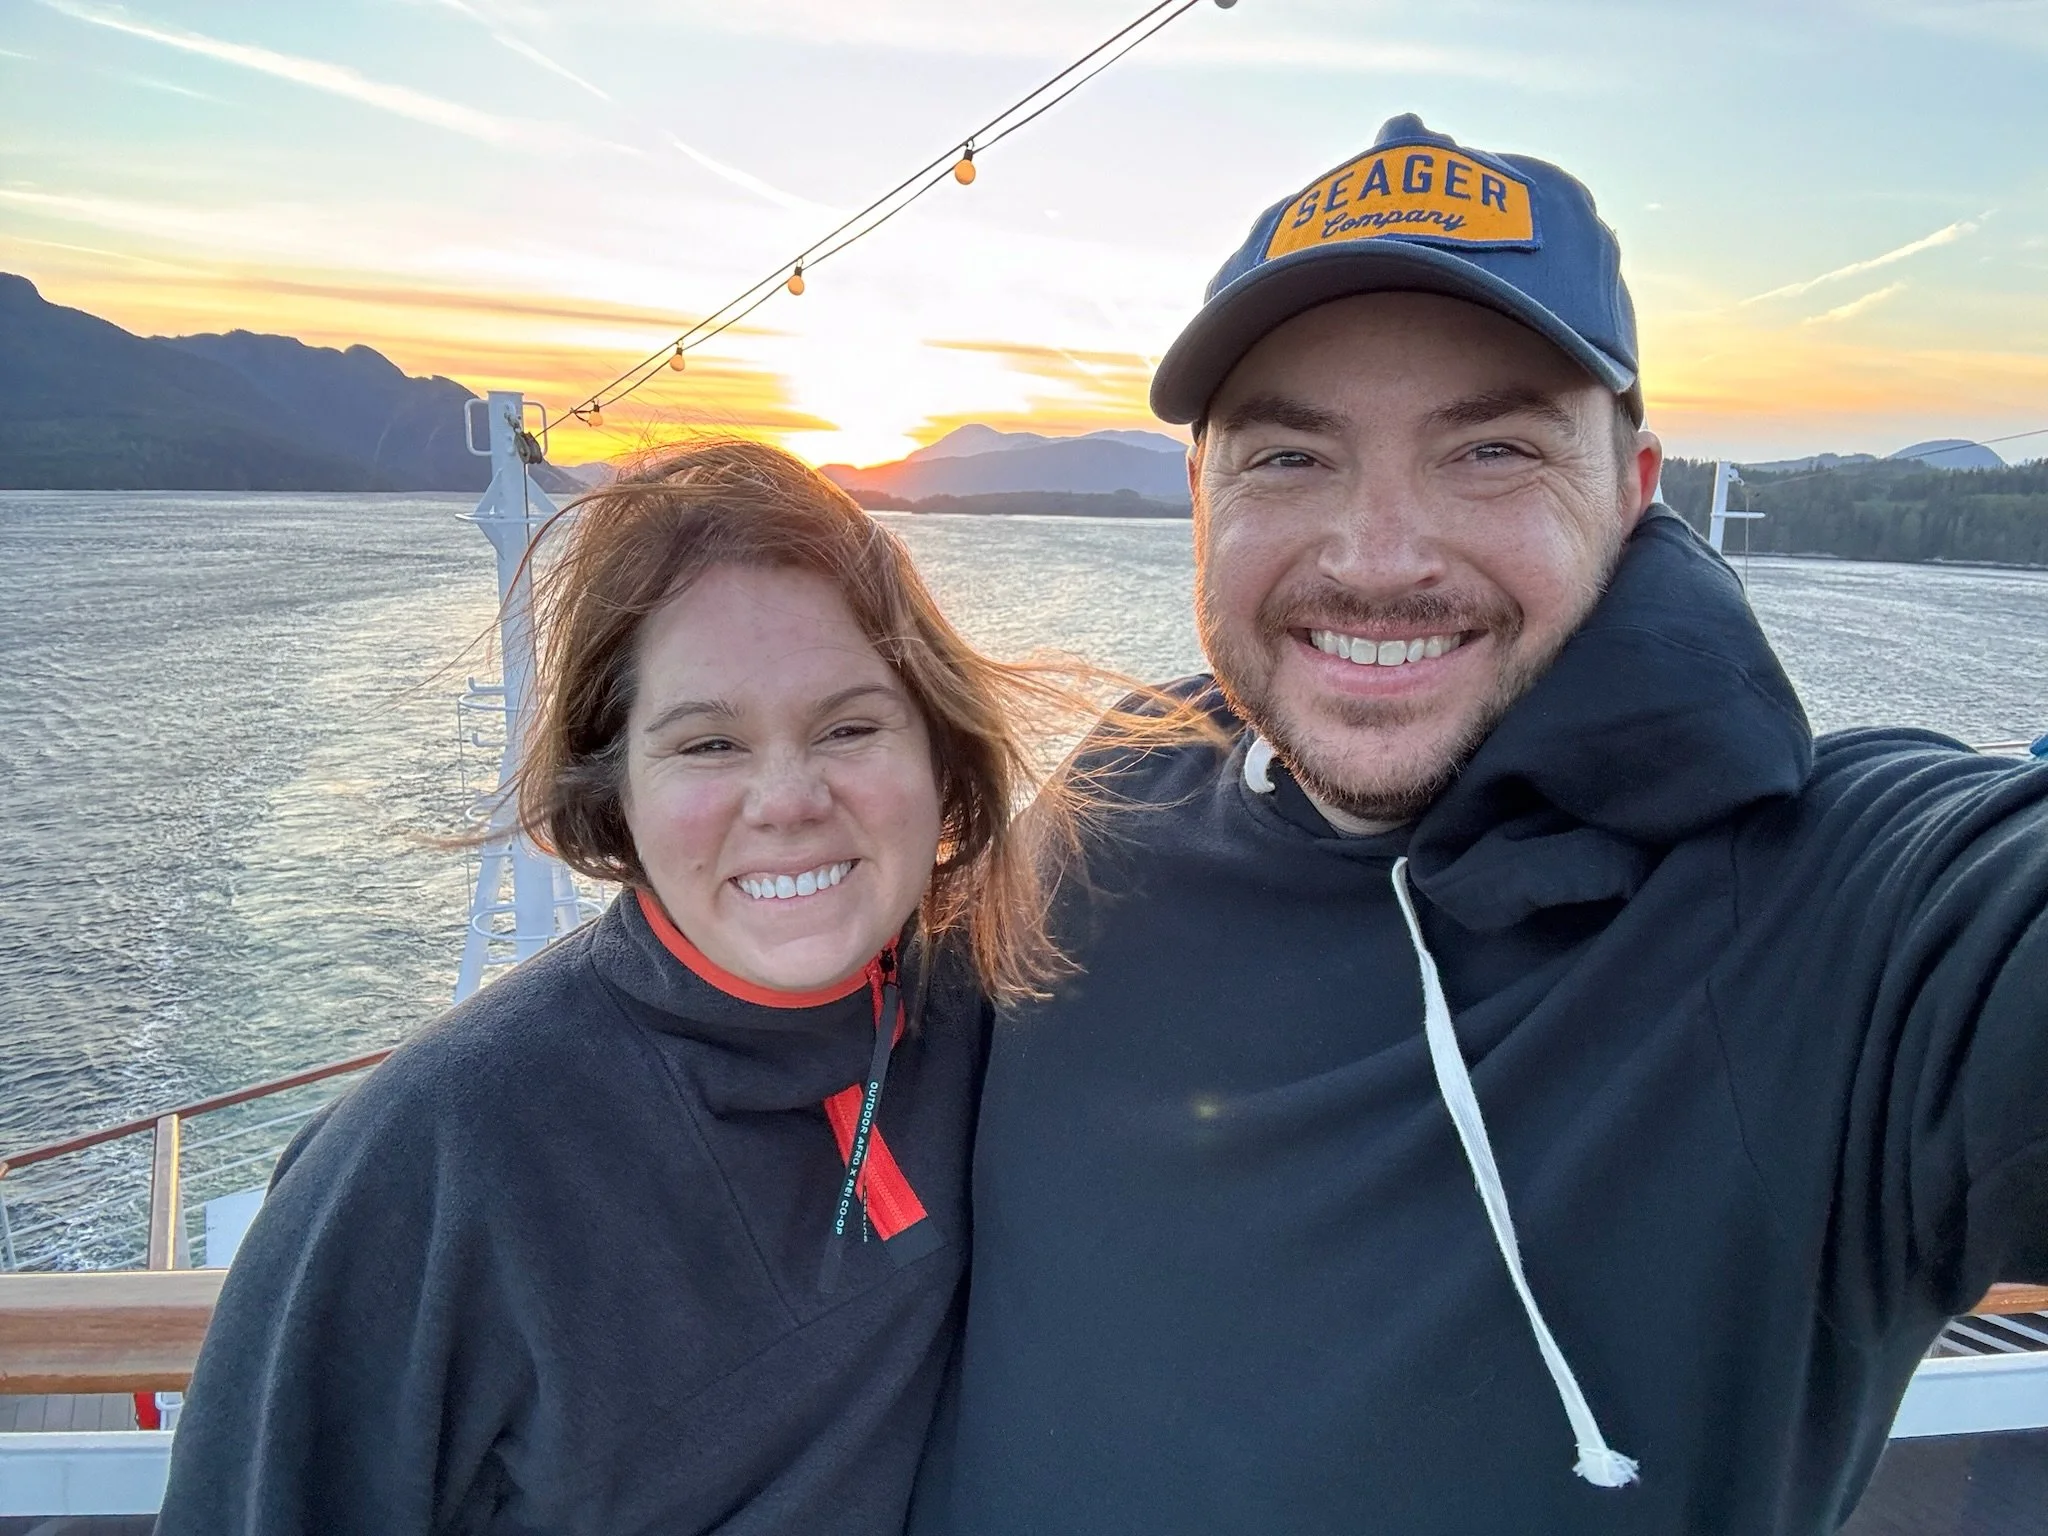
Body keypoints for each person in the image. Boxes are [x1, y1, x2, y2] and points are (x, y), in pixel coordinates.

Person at [910, 114, 2048, 1534]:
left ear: (1633, 494)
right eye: (1289, 459)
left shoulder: (1831, 915)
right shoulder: (1116, 792)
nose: (1381, 557)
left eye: (1492, 450)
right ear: (1200, 500)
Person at [155, 440, 1177, 1535]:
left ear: (938, 757)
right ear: (615, 790)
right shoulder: (438, 1159)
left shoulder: (992, 1000)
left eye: (848, 726)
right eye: (707, 744)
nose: (786, 799)